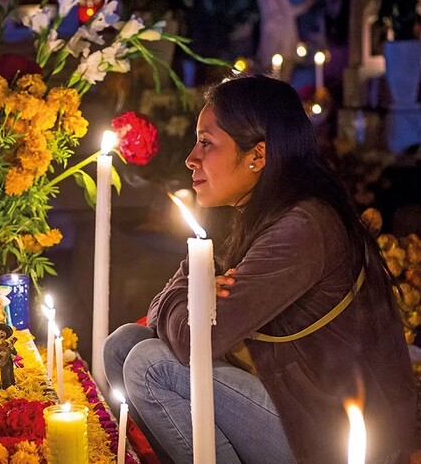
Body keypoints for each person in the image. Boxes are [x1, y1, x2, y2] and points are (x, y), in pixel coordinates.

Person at [103, 76, 415, 464]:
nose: (190, 158)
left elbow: (193, 341)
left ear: (257, 156)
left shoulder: (302, 227)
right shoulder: (244, 214)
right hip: (287, 401)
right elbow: (161, 316)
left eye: (206, 143)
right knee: (124, 343)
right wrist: (190, 294)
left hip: (329, 435)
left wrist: (188, 296)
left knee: (150, 366)